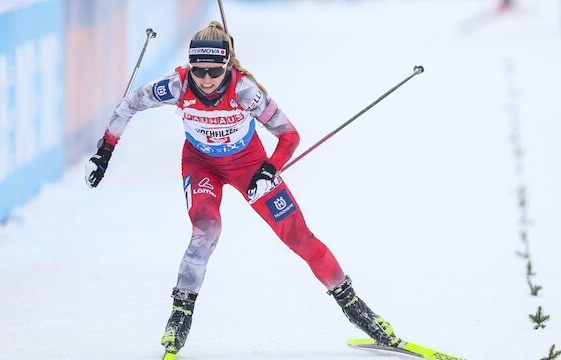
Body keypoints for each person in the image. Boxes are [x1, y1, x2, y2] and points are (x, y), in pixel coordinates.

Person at [85, 21, 400, 359]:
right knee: (206, 232)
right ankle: (180, 316)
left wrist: (270, 168)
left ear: (227, 65)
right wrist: (104, 153)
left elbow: (289, 135)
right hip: (201, 165)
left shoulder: (245, 90)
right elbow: (128, 105)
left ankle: (355, 308)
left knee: (299, 237)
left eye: (215, 71)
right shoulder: (176, 85)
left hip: (250, 168)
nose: (205, 80)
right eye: (199, 70)